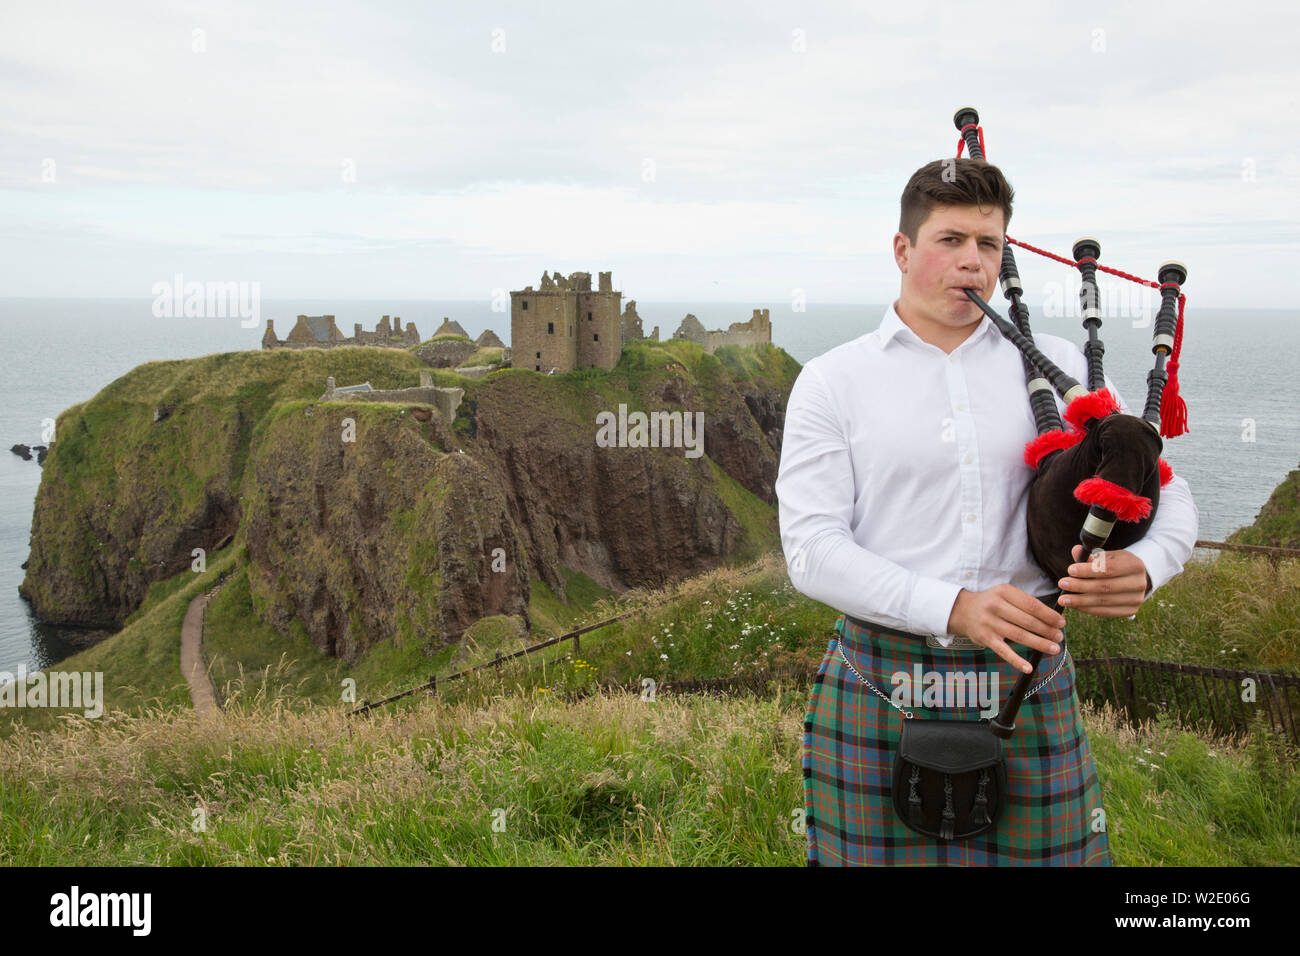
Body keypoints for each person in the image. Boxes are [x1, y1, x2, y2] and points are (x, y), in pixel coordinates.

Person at [776, 157, 1199, 866]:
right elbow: (812, 548)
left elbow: (1166, 486)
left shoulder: (1062, 368)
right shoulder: (833, 381)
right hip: (884, 675)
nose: (972, 262)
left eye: (989, 245)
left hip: (1026, 676)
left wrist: (1148, 564)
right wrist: (953, 608)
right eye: (950, 240)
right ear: (903, 250)